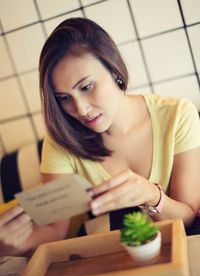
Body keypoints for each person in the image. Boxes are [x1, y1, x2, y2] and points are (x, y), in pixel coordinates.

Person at [1, 17, 200, 257]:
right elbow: (54, 230)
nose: (81, 109)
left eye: (86, 87)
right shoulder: (61, 141)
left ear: (114, 68)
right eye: (64, 98)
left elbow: (188, 216)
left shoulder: (178, 114)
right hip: (111, 262)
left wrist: (151, 194)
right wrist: (18, 244)